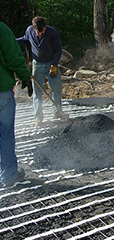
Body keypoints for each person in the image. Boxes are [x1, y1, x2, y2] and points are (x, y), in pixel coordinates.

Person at [0, 22, 33, 187]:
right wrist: (25, 76)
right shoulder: (2, 29)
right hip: (1, 93)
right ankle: (8, 176)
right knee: (5, 135)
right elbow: (13, 57)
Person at [17, 16, 63, 126]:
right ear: (34, 28)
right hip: (37, 64)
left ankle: (57, 112)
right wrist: (12, 41)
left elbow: (58, 49)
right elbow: (24, 39)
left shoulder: (52, 33)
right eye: (37, 31)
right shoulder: (29, 31)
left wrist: (54, 65)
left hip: (51, 63)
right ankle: (38, 117)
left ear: (45, 27)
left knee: (56, 88)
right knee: (37, 92)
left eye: (41, 31)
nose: (39, 34)